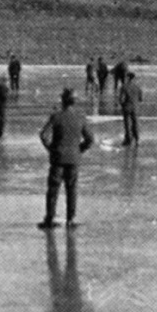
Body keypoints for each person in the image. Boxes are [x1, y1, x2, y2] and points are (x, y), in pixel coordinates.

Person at [37, 89, 96, 229]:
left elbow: (44, 135)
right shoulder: (80, 117)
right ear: (75, 101)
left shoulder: (56, 116)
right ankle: (70, 219)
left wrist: (51, 149)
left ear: (62, 100)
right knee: (72, 189)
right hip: (74, 159)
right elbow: (90, 139)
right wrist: (79, 150)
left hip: (58, 158)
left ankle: (49, 218)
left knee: (53, 190)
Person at [117, 70, 142, 147]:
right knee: (135, 123)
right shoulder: (137, 87)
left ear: (127, 77)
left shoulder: (124, 87)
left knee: (127, 124)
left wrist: (122, 105)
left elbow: (121, 99)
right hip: (135, 107)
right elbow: (140, 99)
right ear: (134, 78)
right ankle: (137, 139)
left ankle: (128, 140)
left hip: (127, 107)